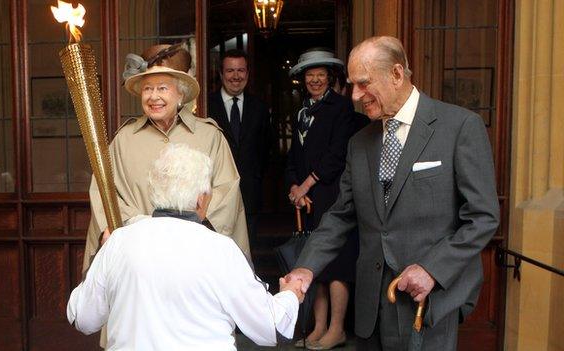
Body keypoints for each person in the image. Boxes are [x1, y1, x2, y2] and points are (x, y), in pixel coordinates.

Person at [285, 36, 500, 350]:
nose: (356, 96)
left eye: (363, 84)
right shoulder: (359, 143)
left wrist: (433, 270)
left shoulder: (459, 127)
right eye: (352, 85)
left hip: (428, 305)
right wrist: (306, 268)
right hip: (371, 309)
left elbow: (482, 218)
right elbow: (340, 216)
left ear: (397, 75)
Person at [83, 43, 250, 348]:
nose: (154, 96)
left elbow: (227, 191)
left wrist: (187, 233)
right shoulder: (123, 141)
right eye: (147, 89)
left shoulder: (209, 136)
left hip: (193, 267)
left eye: (162, 88)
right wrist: (140, 231)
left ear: (180, 93)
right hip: (139, 267)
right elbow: (105, 193)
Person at [68, 143, 304, 350]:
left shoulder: (119, 243)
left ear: (154, 193)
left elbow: (82, 318)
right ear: (202, 198)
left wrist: (102, 253)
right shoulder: (221, 250)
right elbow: (273, 328)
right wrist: (290, 294)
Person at [285, 48, 368, 350]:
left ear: (330, 77)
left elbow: (336, 156)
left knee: (338, 265)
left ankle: (337, 329)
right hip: (307, 201)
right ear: (303, 79)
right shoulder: (301, 111)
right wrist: (294, 187)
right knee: (314, 266)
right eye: (310, 75)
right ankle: (318, 327)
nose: (316, 80)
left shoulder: (343, 107)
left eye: (321, 75)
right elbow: (295, 155)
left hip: (334, 196)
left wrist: (306, 185)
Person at [208, 49, 272, 243]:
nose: (236, 76)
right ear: (221, 74)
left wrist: (256, 176)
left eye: (241, 70)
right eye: (230, 71)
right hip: (214, 195)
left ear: (247, 73)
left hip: (249, 193)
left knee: (247, 250)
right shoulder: (206, 105)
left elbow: (266, 148)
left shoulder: (259, 107)